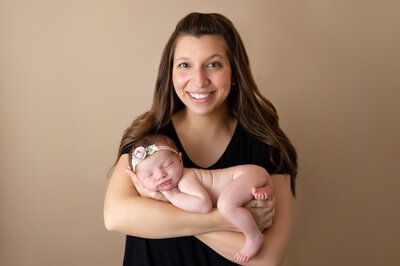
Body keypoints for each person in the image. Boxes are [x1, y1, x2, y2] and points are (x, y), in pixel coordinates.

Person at [104, 12, 297, 266]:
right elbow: (115, 216)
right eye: (185, 65)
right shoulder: (148, 139)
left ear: (235, 72)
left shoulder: (267, 145)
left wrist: (161, 206)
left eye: (213, 64)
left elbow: (267, 259)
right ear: (170, 73)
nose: (199, 80)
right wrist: (222, 220)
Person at [129, 134, 273, 263]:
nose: (160, 175)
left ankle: (254, 237)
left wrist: (173, 196)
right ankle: (264, 189)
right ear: (139, 180)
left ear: (180, 159)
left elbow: (203, 205)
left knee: (226, 205)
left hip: (246, 175)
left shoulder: (186, 178)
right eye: (149, 175)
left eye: (167, 165)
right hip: (254, 176)